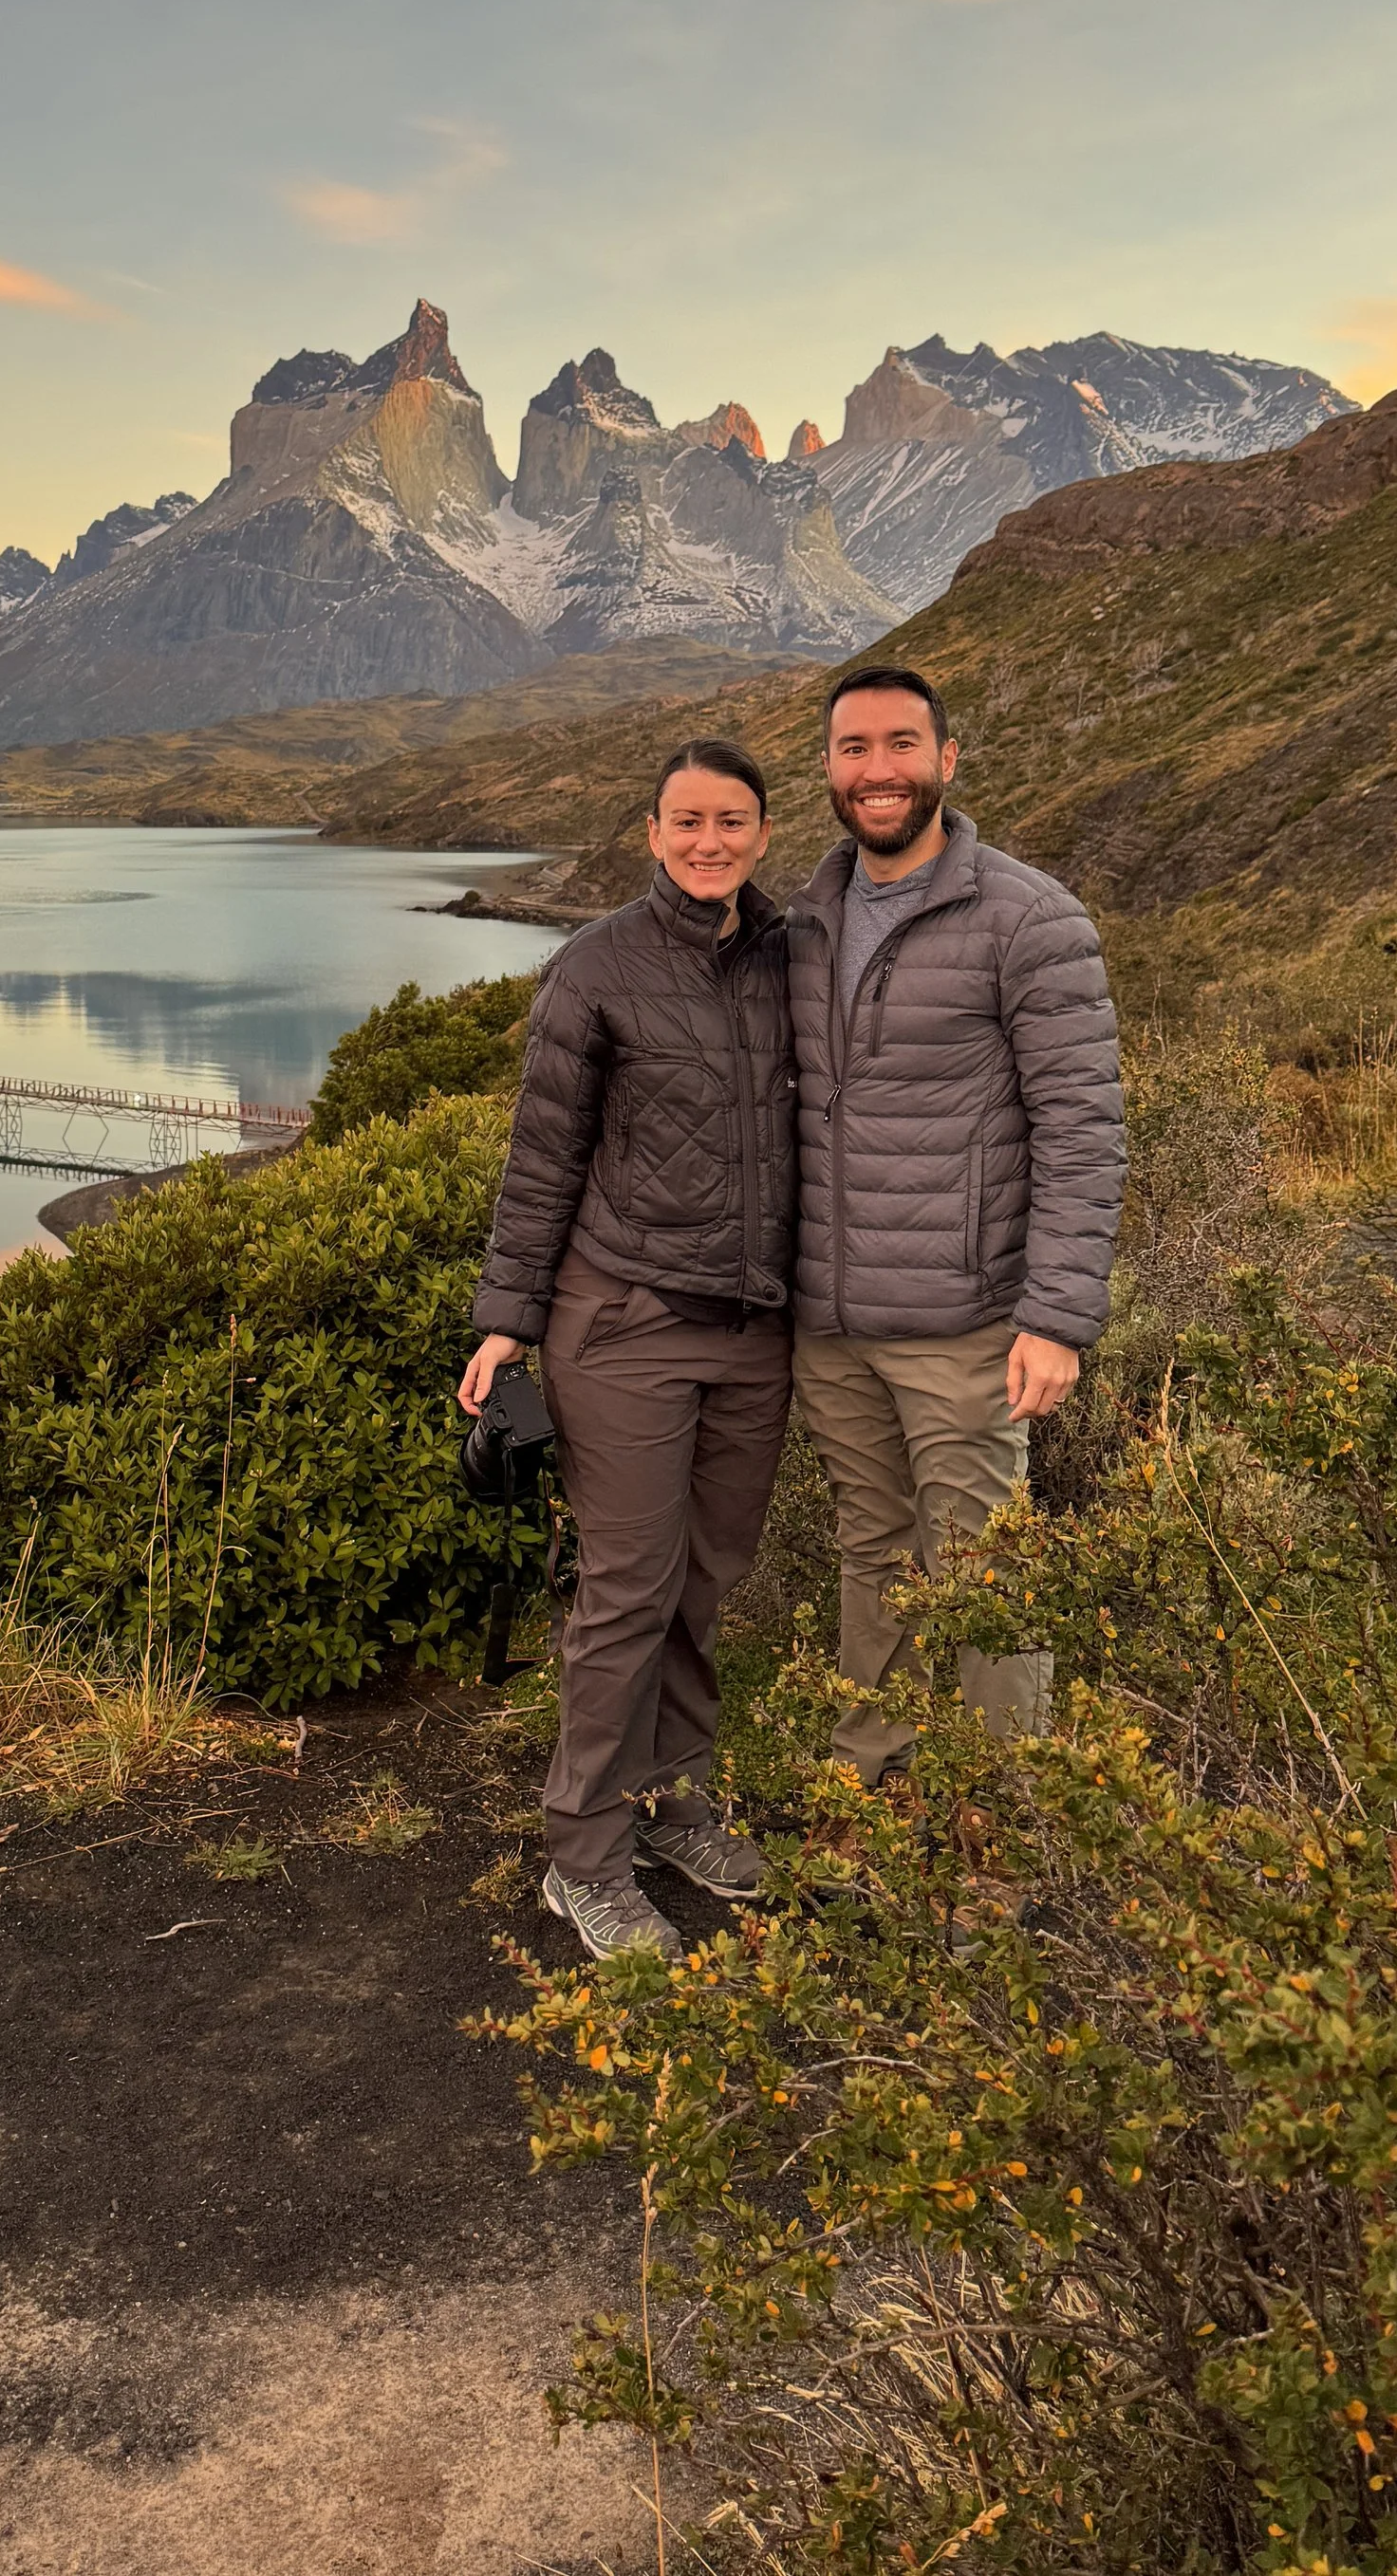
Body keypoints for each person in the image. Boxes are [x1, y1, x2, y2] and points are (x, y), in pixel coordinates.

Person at [459, 737, 796, 1960]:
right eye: (686, 821)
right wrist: (509, 1317)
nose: (709, 841)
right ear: (650, 833)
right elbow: (542, 1156)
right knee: (626, 1591)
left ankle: (669, 1801)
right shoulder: (593, 966)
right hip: (625, 1325)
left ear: (763, 832)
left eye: (732, 821)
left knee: (706, 1578)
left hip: (755, 1330)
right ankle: (584, 1857)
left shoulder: (793, 958)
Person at [787, 664, 1124, 1784]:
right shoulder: (803, 921)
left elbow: (1080, 1129)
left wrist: (1059, 1318)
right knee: (869, 1553)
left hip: (965, 1325)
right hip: (829, 1322)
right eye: (851, 749)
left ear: (945, 760)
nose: (875, 771)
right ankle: (866, 1785)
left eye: (897, 745)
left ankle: (1002, 1821)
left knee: (983, 1567)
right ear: (828, 768)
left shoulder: (1028, 918)